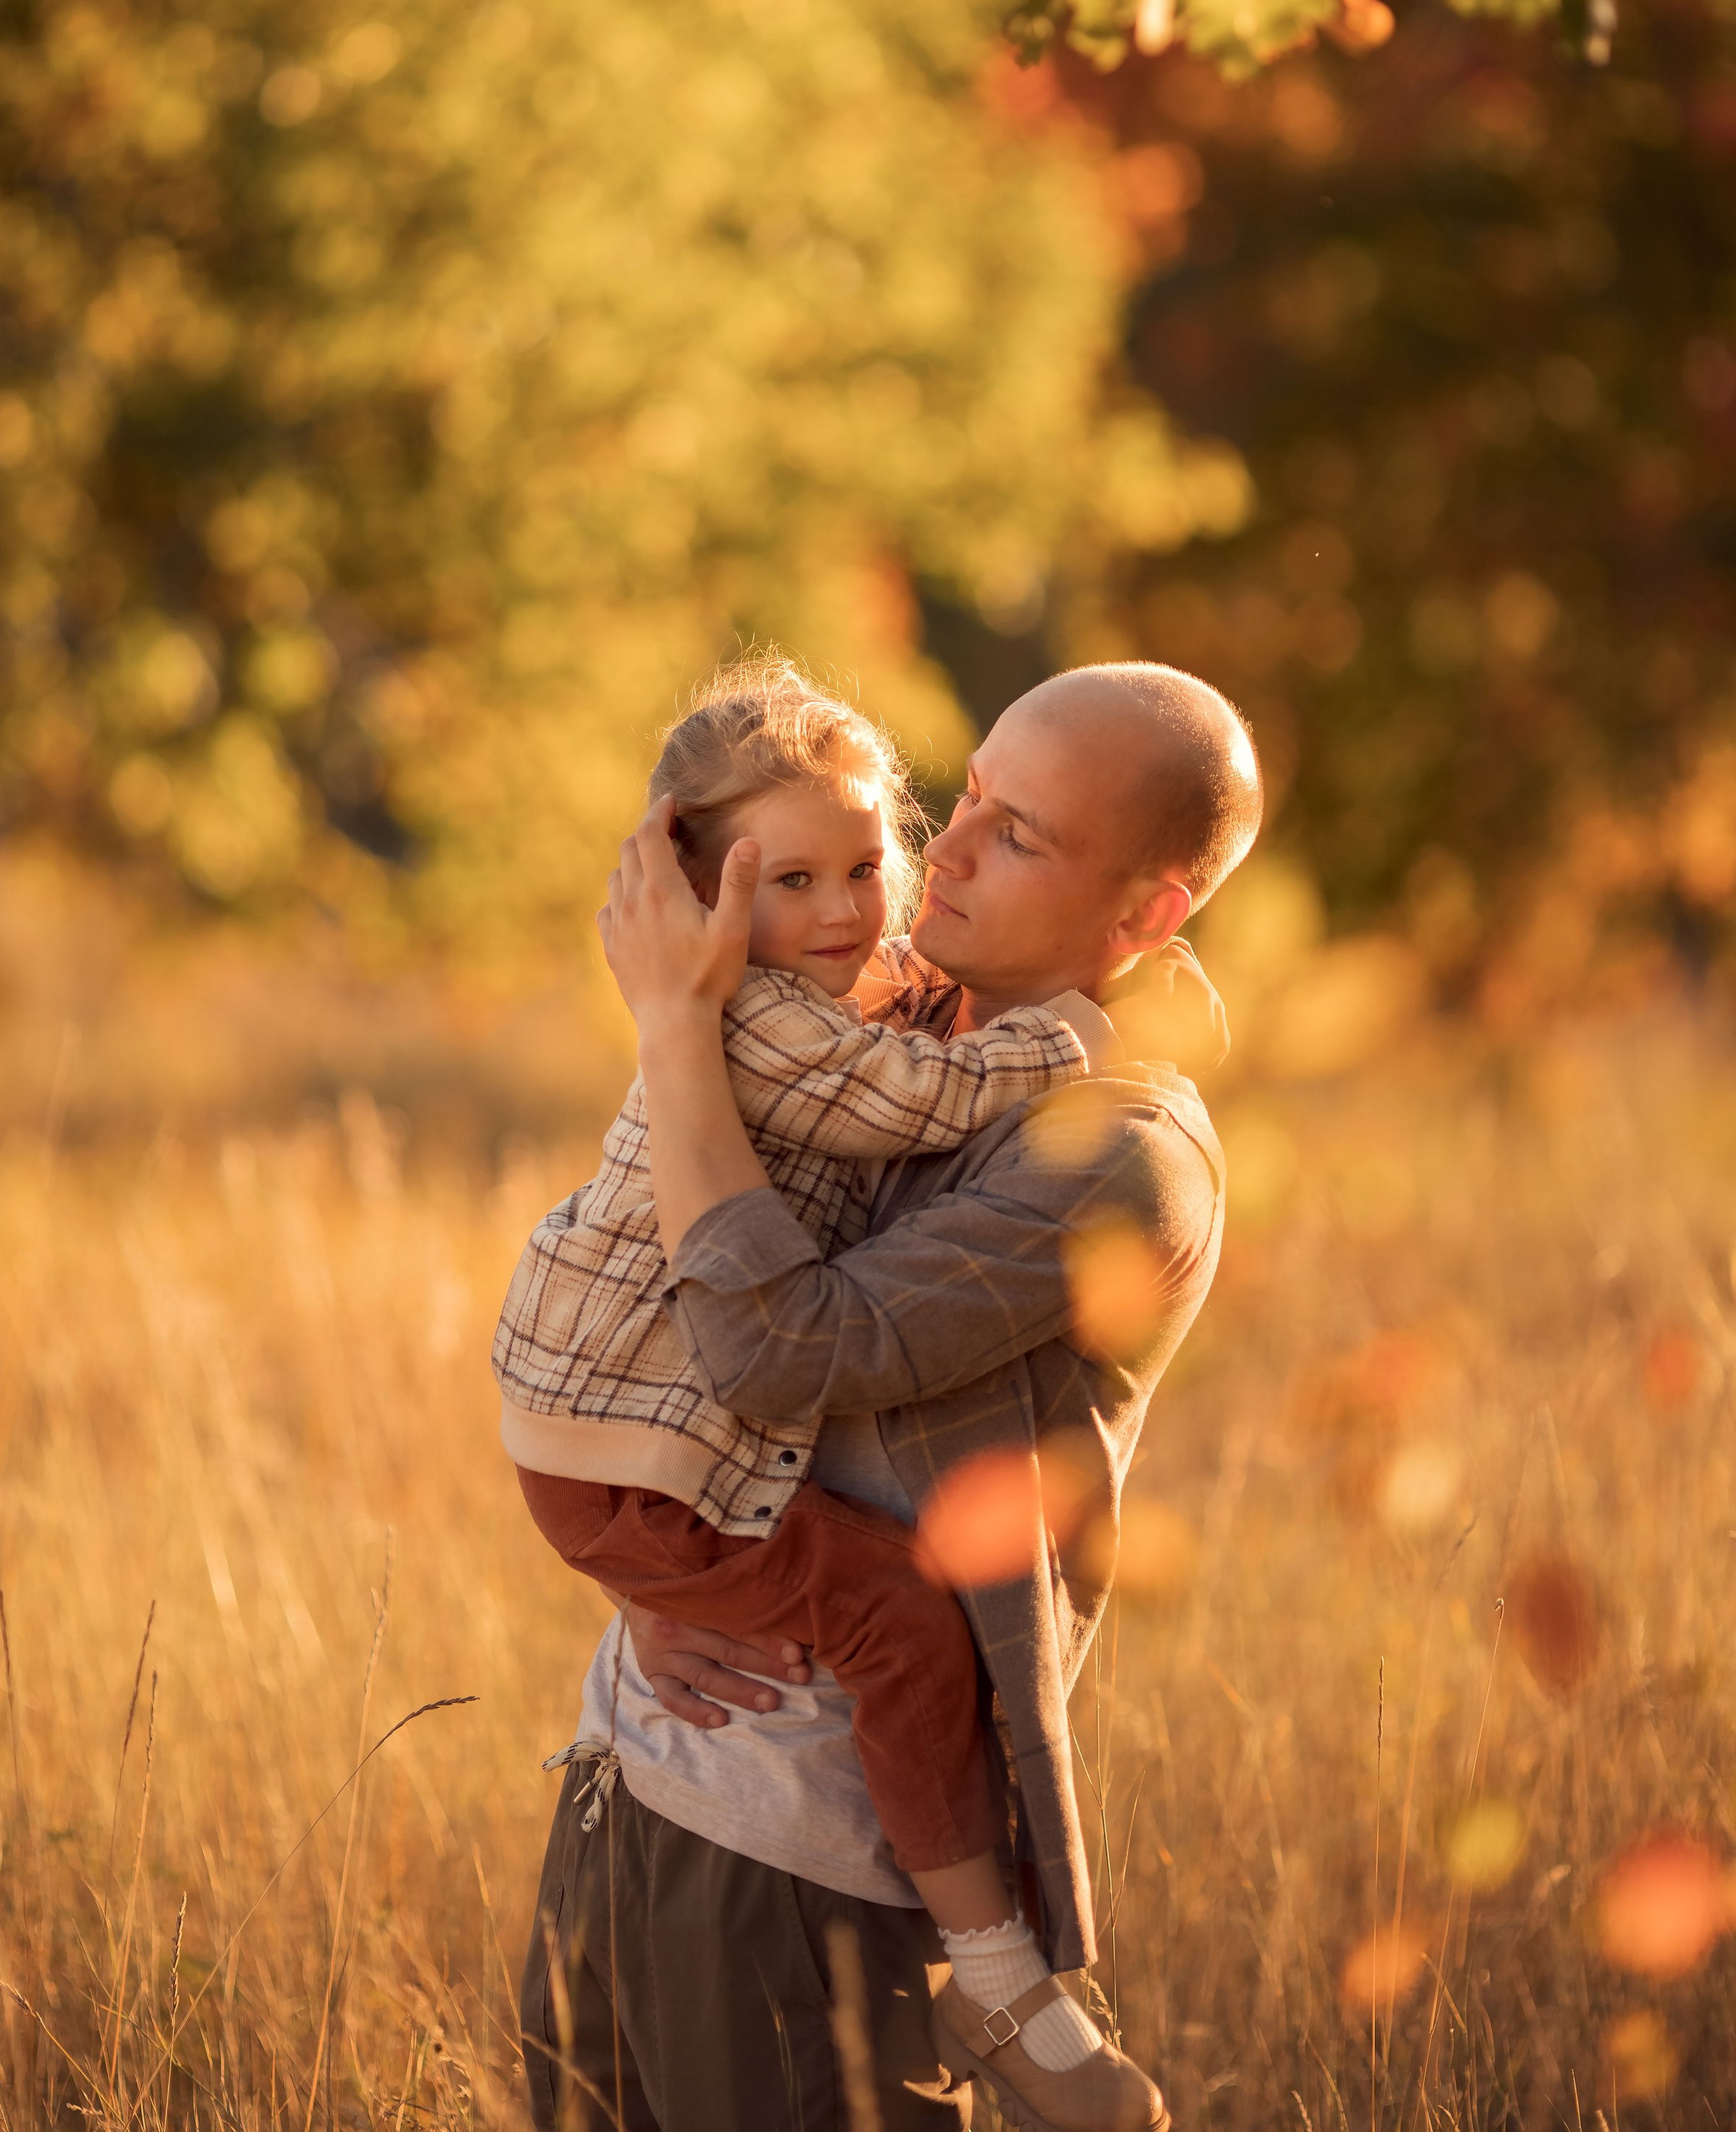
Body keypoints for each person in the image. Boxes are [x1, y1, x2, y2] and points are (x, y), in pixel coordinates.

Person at [518, 661, 1262, 2132]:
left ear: (1151, 910)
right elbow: (643, 1318)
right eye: (967, 794)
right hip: (631, 1765)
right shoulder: (888, 1009)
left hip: (801, 1848)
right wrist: (647, 1564)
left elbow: (782, 1352)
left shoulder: (1112, 1154)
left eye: (1021, 835)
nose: (951, 852)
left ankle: (1000, 1982)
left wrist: (673, 1033)